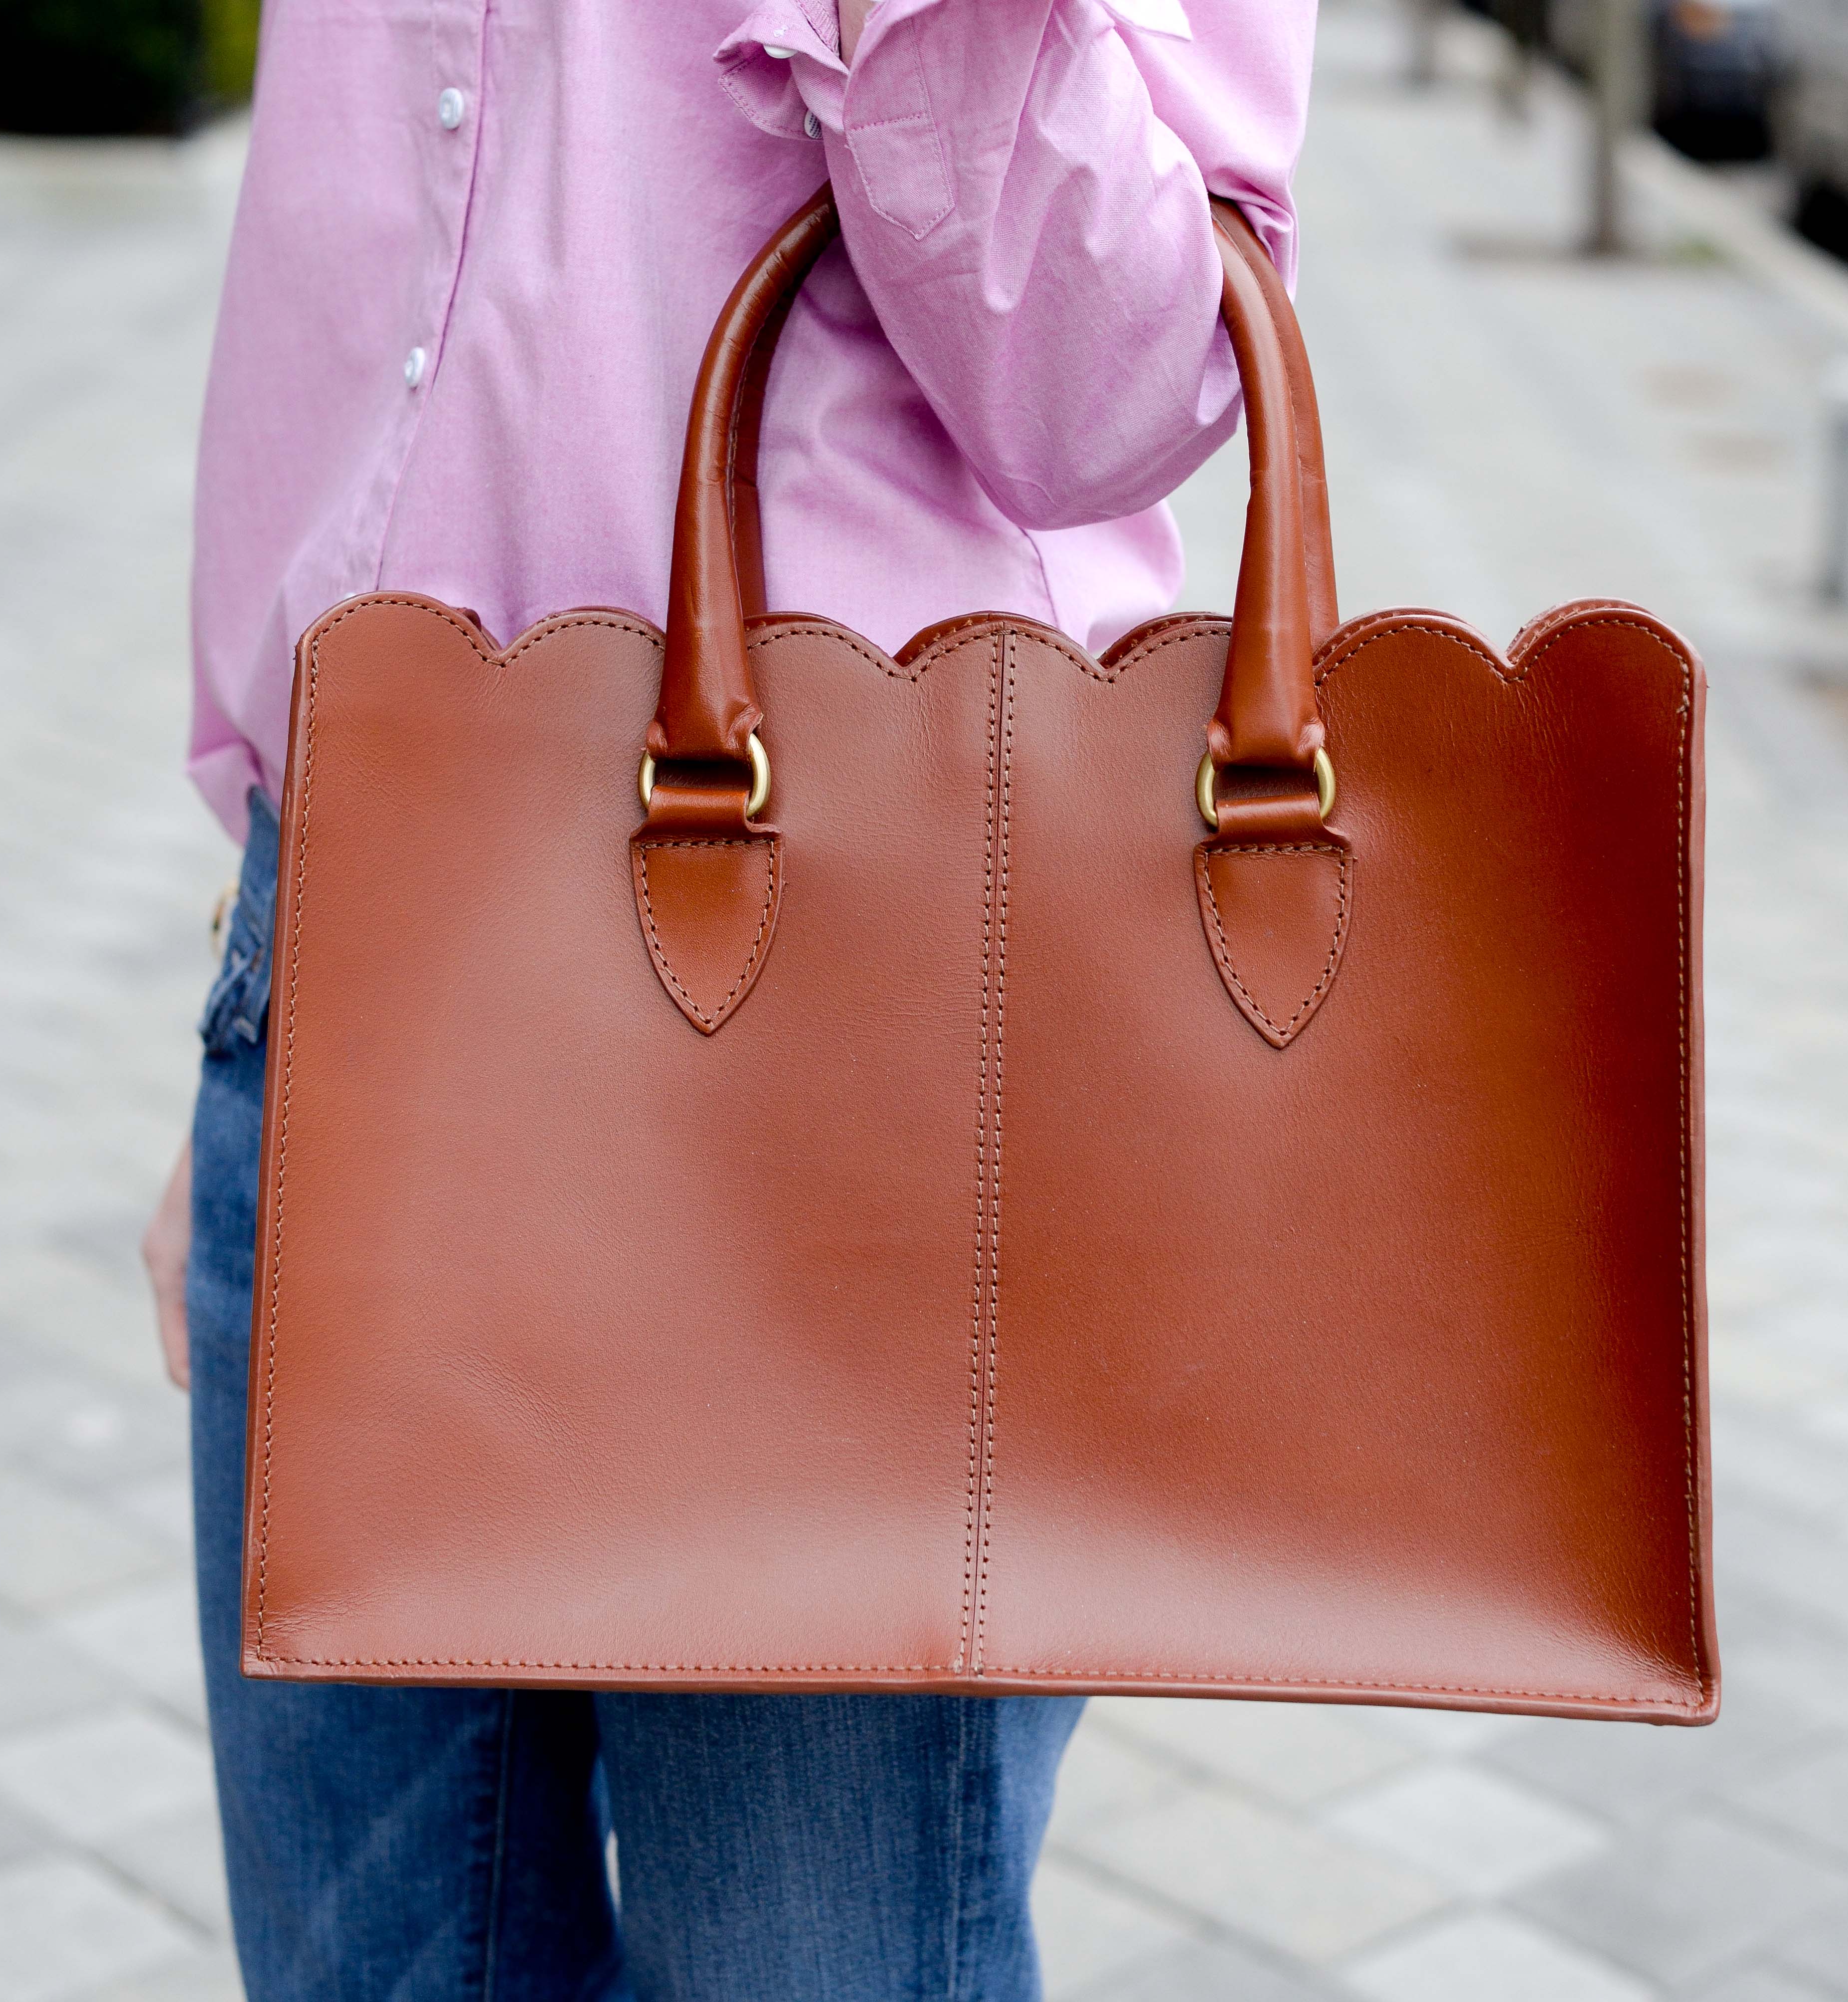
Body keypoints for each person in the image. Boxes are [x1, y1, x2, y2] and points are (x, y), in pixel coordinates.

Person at [139, 3, 1313, 1995]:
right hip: (360, 957)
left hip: (855, 1032)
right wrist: (258, 990)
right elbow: (385, 334)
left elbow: (1112, 392)